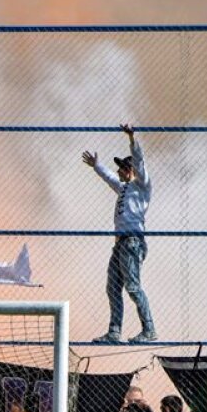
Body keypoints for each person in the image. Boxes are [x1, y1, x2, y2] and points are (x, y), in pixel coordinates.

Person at [82, 124, 156, 344]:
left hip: (133, 242)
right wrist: (97, 166)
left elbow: (139, 160)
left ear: (131, 170)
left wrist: (132, 138)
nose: (119, 171)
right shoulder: (123, 188)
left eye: (123, 168)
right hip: (120, 243)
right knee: (112, 287)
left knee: (133, 286)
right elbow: (108, 178)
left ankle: (149, 329)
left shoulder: (142, 185)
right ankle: (114, 332)